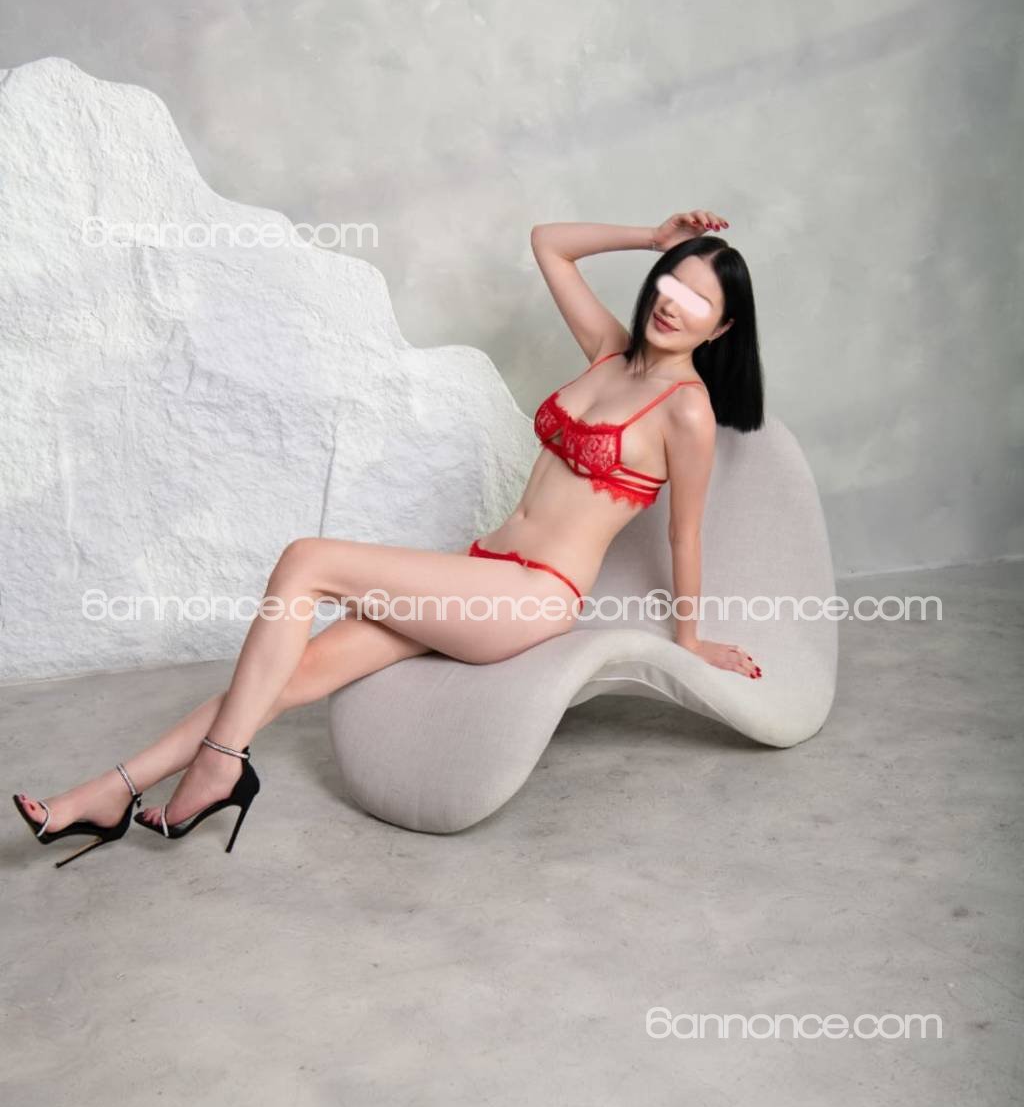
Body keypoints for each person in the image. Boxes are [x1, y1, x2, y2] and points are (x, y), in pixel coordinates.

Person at [13, 209, 765, 864]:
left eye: (701, 300)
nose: (676, 304)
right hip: (482, 570)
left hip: (532, 598)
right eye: (672, 282)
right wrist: (652, 236)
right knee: (285, 677)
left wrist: (690, 640)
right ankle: (107, 794)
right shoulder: (608, 352)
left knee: (307, 561)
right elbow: (549, 242)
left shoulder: (686, 410)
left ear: (723, 327)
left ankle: (219, 765)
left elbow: (684, 534)